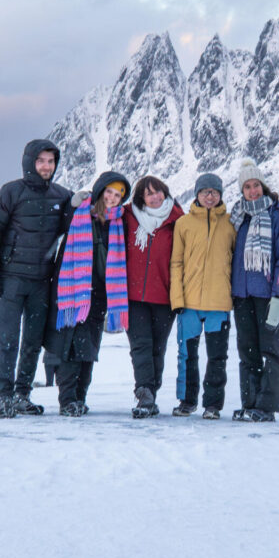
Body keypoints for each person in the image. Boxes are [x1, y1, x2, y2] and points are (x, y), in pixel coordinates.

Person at [0, 139, 71, 418]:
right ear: (30, 162)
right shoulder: (11, 192)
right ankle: (5, 398)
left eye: (51, 161)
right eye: (41, 161)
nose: (46, 166)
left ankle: (22, 395)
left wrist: (80, 203)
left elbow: (75, 225)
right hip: (12, 279)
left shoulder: (61, 196)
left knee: (32, 342)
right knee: (8, 341)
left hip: (42, 282)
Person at [44, 171, 131, 417]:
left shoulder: (118, 222)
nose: (112, 198)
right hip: (73, 293)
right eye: (109, 192)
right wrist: (73, 204)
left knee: (89, 350)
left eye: (118, 195)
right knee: (69, 349)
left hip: (99, 296)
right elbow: (60, 223)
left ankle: (80, 398)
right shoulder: (80, 215)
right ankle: (67, 400)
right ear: (100, 191)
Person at [229, 158, 279, 423]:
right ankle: (250, 403)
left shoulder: (277, 215)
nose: (252, 190)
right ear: (242, 190)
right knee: (247, 351)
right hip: (242, 295)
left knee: (271, 350)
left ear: (263, 186)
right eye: (247, 187)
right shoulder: (238, 217)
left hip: (268, 296)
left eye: (256, 185)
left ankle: (266, 407)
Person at [169, 173, 236, 420]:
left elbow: (235, 261)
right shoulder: (183, 224)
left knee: (217, 357)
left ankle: (213, 405)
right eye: (205, 191)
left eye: (215, 192)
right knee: (187, 355)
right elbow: (176, 263)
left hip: (219, 303)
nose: (210, 196)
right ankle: (187, 401)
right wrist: (177, 299)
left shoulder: (231, 223)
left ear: (220, 195)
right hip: (189, 303)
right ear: (197, 194)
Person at [124, 175, 185, 418]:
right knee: (141, 346)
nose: (155, 197)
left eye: (158, 191)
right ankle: (144, 393)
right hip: (133, 296)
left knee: (157, 349)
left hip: (164, 297)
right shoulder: (128, 215)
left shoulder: (178, 220)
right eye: (149, 193)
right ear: (141, 198)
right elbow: (102, 210)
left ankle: (151, 393)